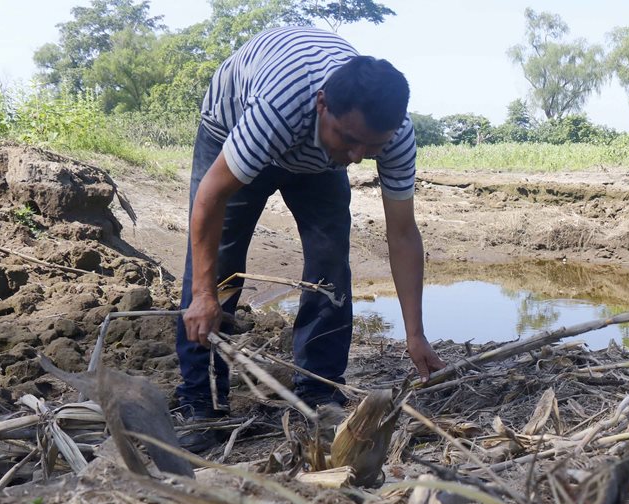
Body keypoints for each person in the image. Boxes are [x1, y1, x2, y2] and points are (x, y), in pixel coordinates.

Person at [175, 26, 445, 432]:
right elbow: (210, 199)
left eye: (369, 149)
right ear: (322, 104)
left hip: (315, 155)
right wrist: (201, 294)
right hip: (231, 126)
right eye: (350, 140)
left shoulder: (394, 136)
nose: (355, 158)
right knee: (221, 264)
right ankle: (201, 398)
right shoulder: (277, 110)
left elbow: (403, 233)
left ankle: (319, 390)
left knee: (330, 261)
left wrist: (415, 334)